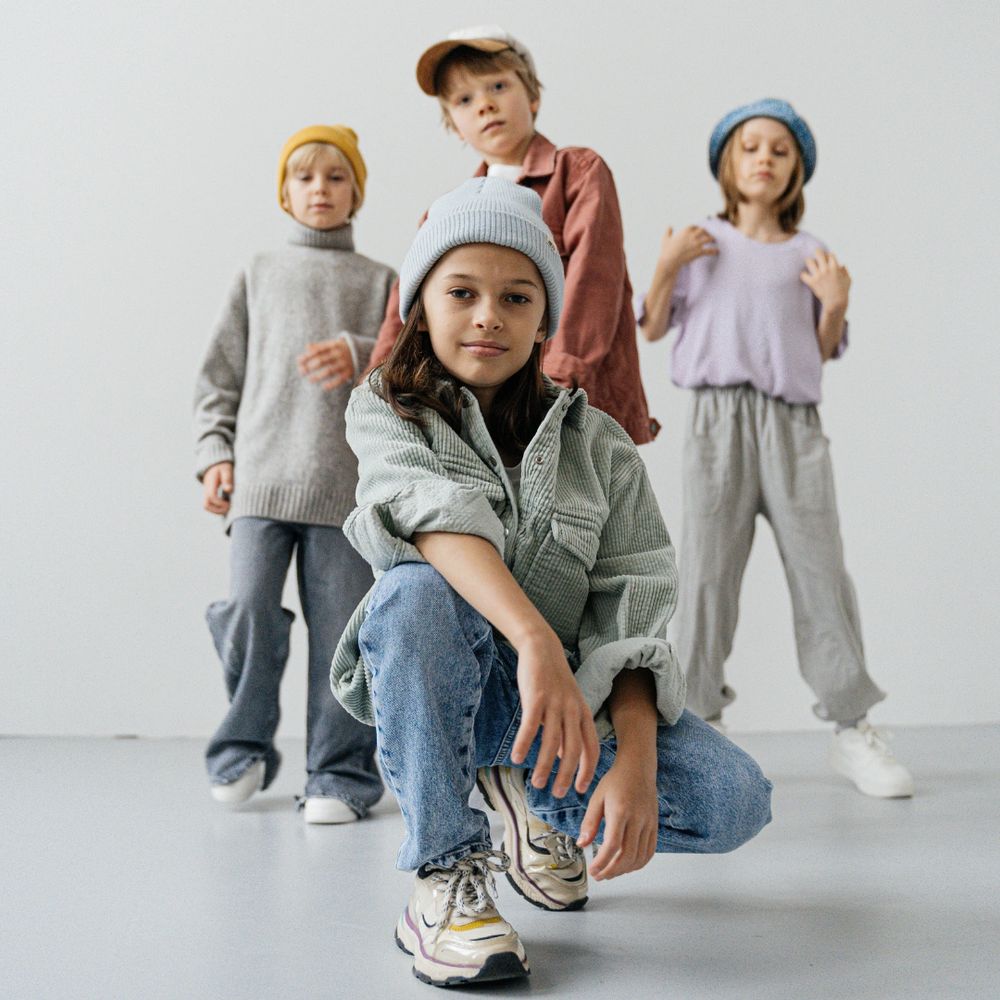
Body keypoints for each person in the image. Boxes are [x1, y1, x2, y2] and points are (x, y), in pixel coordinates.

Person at [330, 177, 772, 986]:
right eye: (461, 292)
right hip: (452, 680)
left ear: (544, 321)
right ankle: (445, 872)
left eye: (517, 296)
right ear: (422, 304)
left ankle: (532, 802)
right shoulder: (386, 409)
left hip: (564, 706)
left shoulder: (599, 444)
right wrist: (533, 640)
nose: (489, 314)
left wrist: (635, 758)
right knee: (415, 593)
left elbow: (632, 601)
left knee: (732, 797)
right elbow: (432, 514)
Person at [638, 99, 914, 799]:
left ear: (797, 171)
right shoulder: (698, 240)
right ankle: (699, 724)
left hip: (793, 425)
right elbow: (651, 327)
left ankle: (852, 728)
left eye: (780, 151)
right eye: (750, 146)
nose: (764, 158)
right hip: (715, 425)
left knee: (822, 574)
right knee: (704, 578)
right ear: (727, 162)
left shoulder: (809, 254)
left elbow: (823, 351)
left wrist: (837, 303)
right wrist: (667, 265)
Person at [193, 125, 395, 823]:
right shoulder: (258, 272)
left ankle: (340, 776)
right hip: (259, 484)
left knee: (344, 636)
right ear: (285, 192)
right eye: (305, 177)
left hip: (344, 493)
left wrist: (361, 352)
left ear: (356, 192)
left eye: (335, 177)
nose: (320, 189)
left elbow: (410, 369)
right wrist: (213, 454)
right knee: (248, 610)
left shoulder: (382, 283)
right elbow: (217, 378)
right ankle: (241, 747)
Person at [365, 24, 657, 445]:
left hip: (567, 402)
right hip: (477, 413)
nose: (484, 105)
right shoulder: (447, 212)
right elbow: (408, 304)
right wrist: (374, 385)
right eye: (464, 99)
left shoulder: (578, 173)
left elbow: (597, 280)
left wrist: (558, 381)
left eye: (497, 86)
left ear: (533, 95)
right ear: (454, 125)